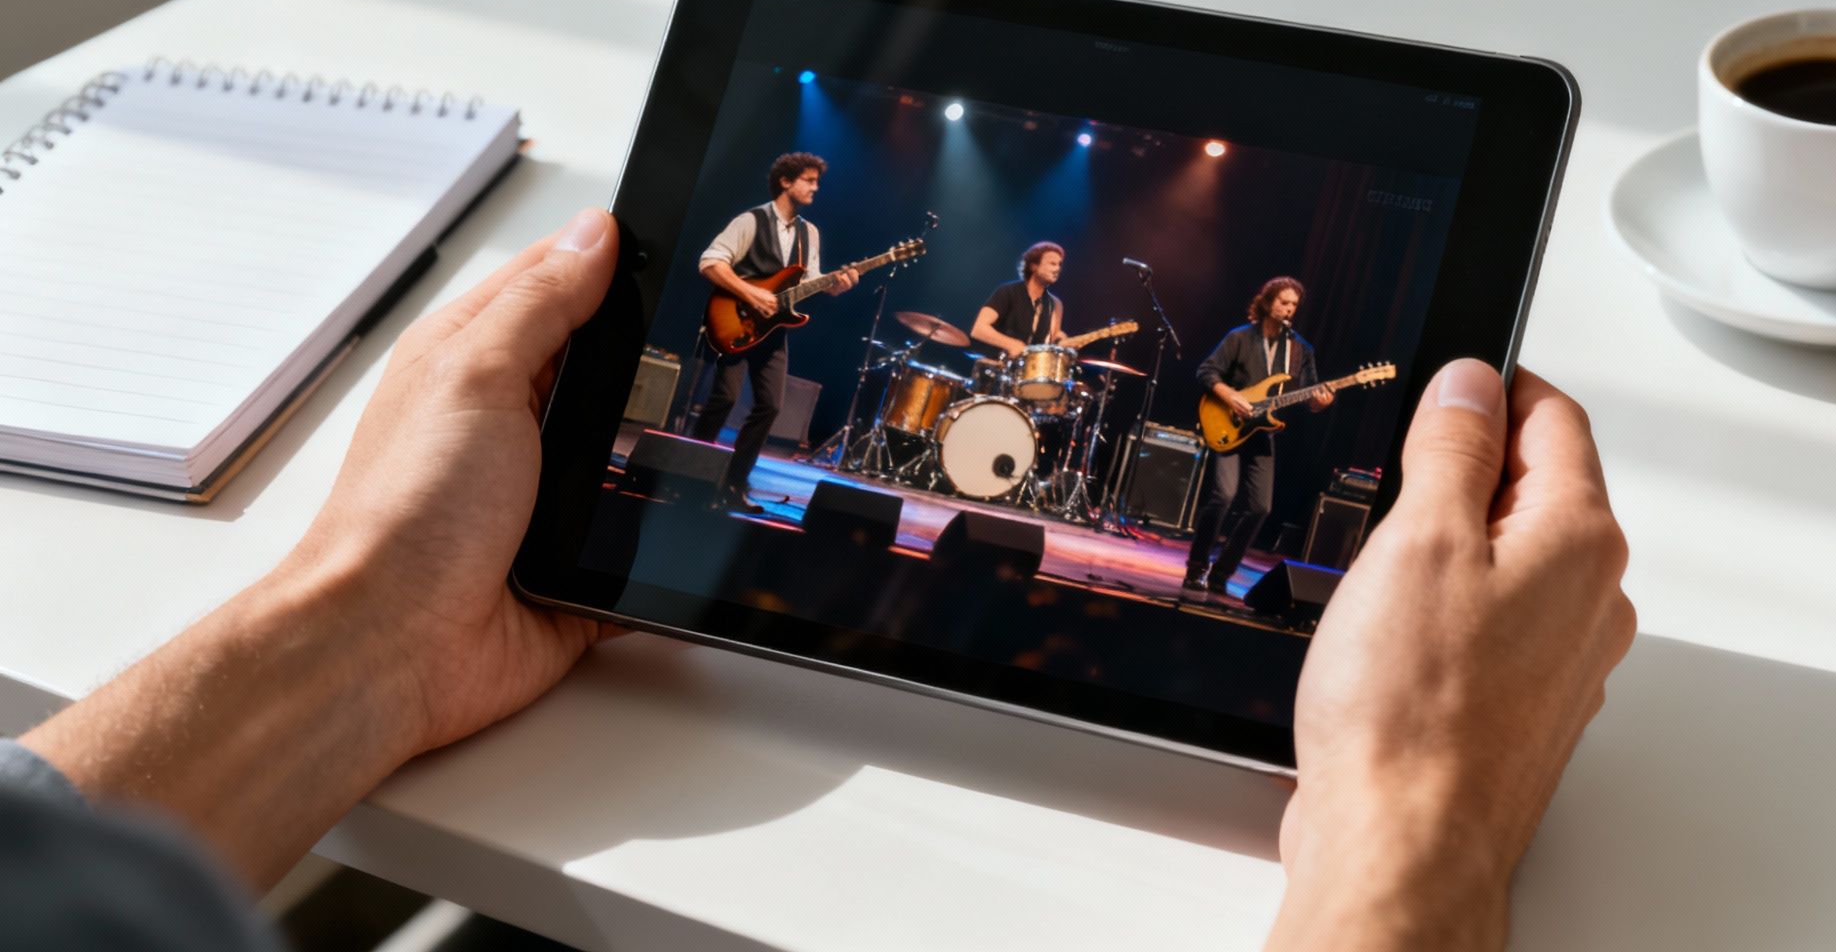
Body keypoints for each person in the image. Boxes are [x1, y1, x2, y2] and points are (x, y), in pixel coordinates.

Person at [0, 209, 1633, 951]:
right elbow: (979, 337)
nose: (1054, 275)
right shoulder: (910, 266)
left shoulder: (1116, 318)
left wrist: (368, 612)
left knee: (1171, 464)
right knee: (745, 407)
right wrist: (1415, 839)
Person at [692, 152, 858, 512]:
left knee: (770, 406)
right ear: (786, 181)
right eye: (810, 181)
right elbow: (710, 260)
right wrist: (750, 292)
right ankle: (689, 475)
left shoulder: (808, 232)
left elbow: (810, 279)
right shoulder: (750, 220)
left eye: (817, 182)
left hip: (773, 331)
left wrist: (836, 285)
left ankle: (734, 485)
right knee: (723, 399)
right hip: (735, 321)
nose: (817, 188)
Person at [1185, 276, 1334, 595]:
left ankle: (1220, 574)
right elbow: (1206, 371)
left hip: (1262, 432)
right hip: (1228, 423)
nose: (1290, 309)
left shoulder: (1300, 349)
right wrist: (1230, 396)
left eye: (1294, 304)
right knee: (1223, 495)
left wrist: (1320, 402)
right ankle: (1196, 567)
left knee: (1261, 508)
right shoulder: (1239, 338)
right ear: (1267, 303)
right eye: (1284, 302)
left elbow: (1309, 396)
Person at [970, 240, 1067, 358]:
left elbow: (1052, 339)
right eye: (1052, 264)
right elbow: (978, 329)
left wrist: (1062, 340)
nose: (1057, 269)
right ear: (1034, 266)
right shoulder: (1008, 291)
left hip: (1028, 372)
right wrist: (1010, 344)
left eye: (1059, 264)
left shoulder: (1055, 304)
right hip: (996, 366)